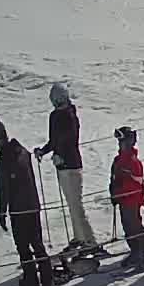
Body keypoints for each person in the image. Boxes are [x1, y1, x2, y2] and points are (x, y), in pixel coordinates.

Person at [0, 118, 55, 286]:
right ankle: (47, 281)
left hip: (19, 209)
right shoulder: (23, 152)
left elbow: (4, 189)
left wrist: (2, 212)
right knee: (37, 244)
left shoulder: (3, 161)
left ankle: (31, 282)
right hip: (32, 205)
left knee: (24, 247)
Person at [34, 83, 97, 251]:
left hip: (70, 165)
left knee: (76, 204)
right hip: (62, 165)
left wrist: (59, 155)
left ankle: (90, 241)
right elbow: (55, 140)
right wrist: (45, 151)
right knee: (71, 204)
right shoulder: (55, 116)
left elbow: (69, 139)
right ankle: (79, 237)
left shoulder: (69, 116)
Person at [108, 127, 144, 270]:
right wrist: (113, 192)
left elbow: (135, 184)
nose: (120, 145)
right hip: (123, 200)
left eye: (122, 142)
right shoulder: (118, 160)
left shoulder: (133, 162)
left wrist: (119, 191)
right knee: (127, 227)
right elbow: (114, 179)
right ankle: (136, 251)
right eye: (119, 142)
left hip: (131, 200)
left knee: (135, 226)